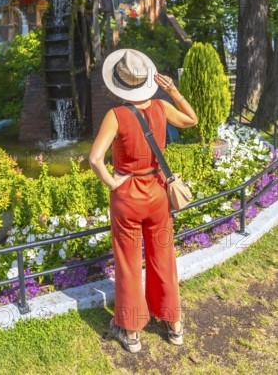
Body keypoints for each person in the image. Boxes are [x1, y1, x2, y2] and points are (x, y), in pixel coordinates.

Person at [89, 49, 198, 353]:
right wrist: (173, 90)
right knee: (162, 256)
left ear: (119, 83)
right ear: (147, 80)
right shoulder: (163, 107)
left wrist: (113, 182)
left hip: (127, 195)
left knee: (127, 262)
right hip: (158, 193)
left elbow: (95, 159)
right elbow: (192, 119)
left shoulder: (116, 115)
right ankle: (174, 325)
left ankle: (132, 332)